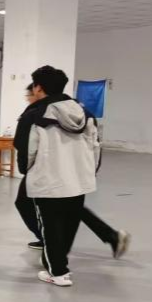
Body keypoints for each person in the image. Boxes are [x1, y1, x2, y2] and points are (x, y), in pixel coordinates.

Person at [13, 83, 130, 258]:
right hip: (71, 167)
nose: (28, 99)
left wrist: (25, 168)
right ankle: (111, 236)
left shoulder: (39, 113)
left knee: (27, 203)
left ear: (38, 91)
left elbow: (27, 146)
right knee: (71, 206)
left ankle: (50, 242)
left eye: (29, 95)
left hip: (45, 168)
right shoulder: (75, 111)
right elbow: (94, 145)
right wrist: (90, 170)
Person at [21, 66, 101, 287]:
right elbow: (95, 148)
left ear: (38, 88)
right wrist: (88, 173)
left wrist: (28, 172)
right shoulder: (85, 114)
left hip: (48, 180)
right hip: (79, 180)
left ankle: (57, 272)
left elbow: (27, 151)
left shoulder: (35, 115)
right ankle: (60, 265)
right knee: (69, 224)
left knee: (50, 226)